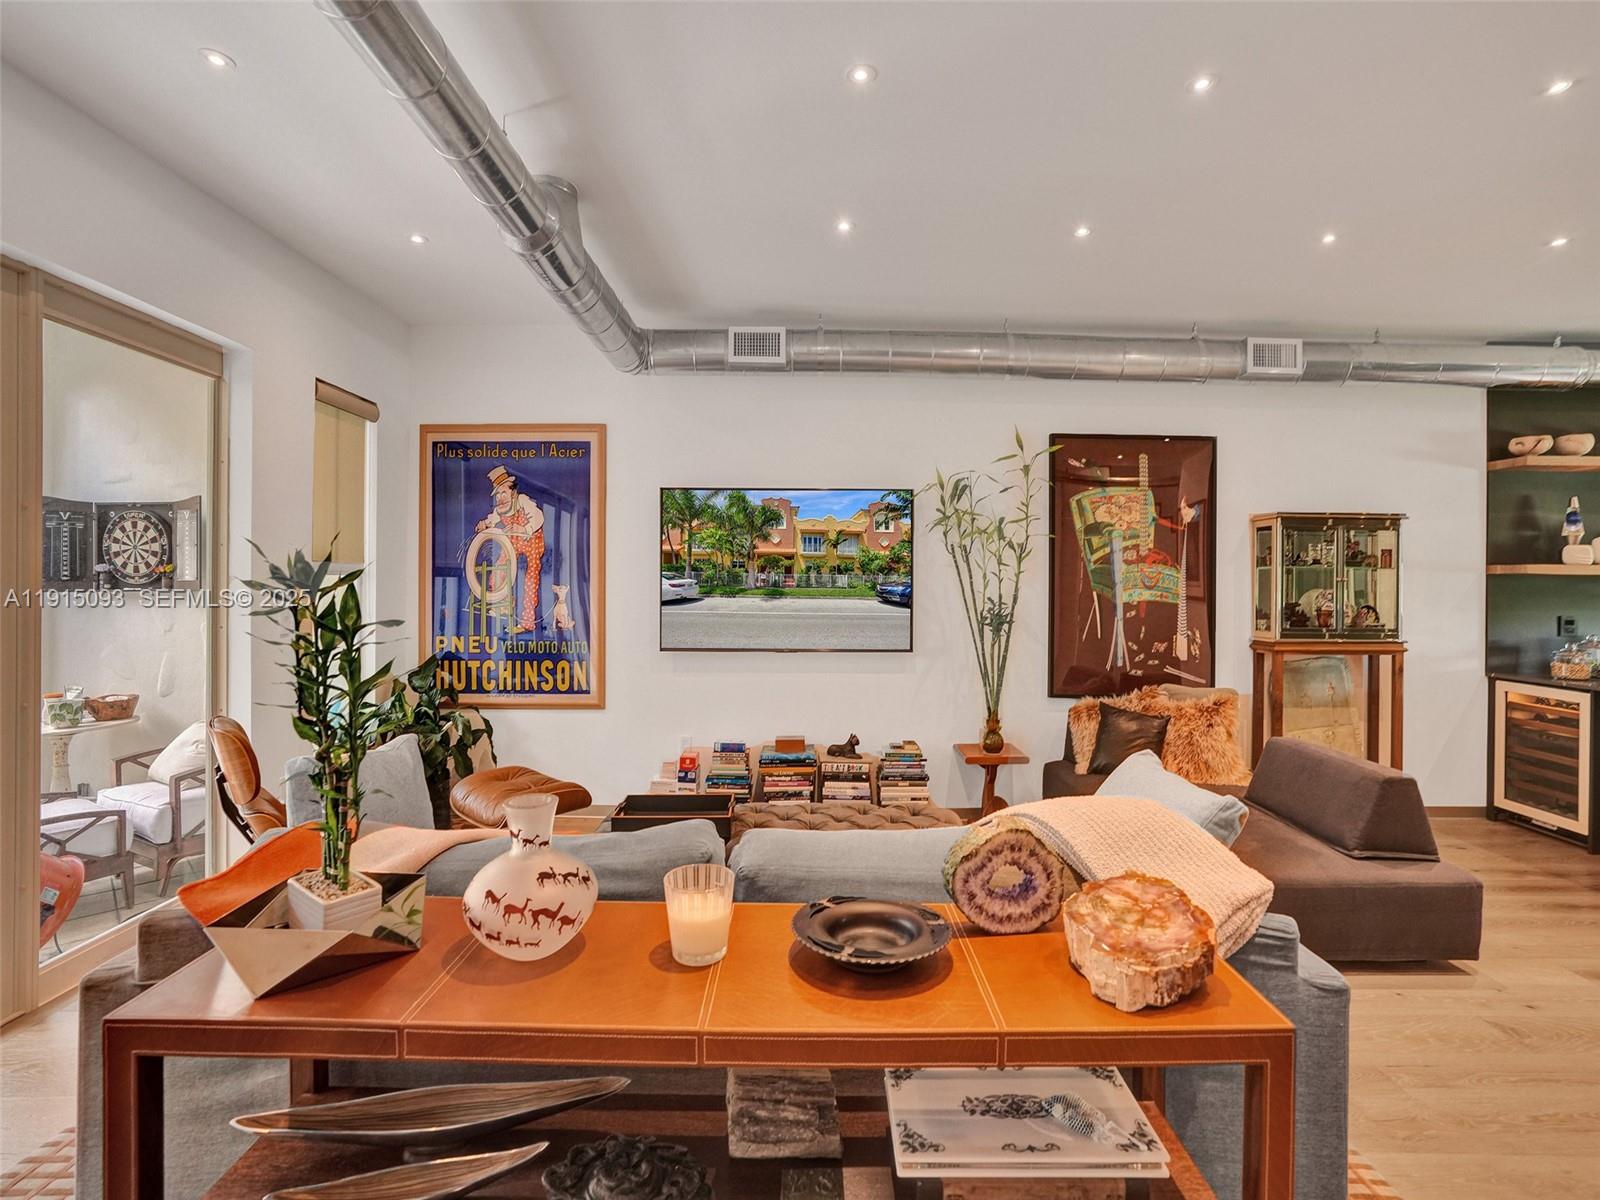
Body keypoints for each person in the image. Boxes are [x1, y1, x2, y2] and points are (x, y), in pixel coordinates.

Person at [477, 465, 545, 633]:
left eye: (503, 493)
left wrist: (525, 528)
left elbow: (538, 516)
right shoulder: (499, 509)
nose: (500, 498)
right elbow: (492, 520)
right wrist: (484, 524)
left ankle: (527, 623)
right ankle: (504, 605)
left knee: (530, 579)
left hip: (532, 541)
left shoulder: (522, 500)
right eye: (497, 494)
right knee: (500, 568)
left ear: (513, 492)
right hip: (514, 541)